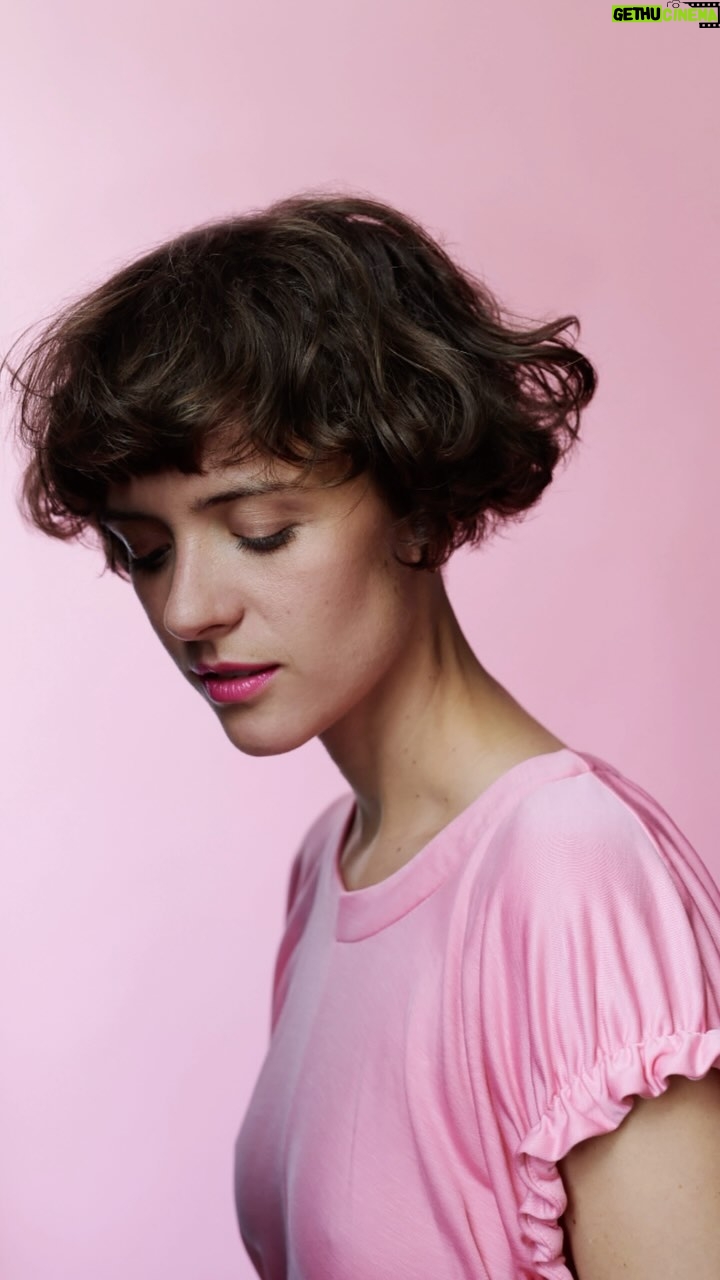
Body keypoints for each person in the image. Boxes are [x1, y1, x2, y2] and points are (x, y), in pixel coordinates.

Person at [5, 191, 720, 1280]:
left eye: (260, 531)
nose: (190, 608)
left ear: (420, 509)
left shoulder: (570, 873)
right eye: (145, 549)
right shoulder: (331, 862)